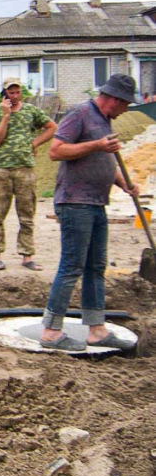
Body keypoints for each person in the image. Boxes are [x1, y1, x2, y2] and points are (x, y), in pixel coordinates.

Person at [39, 74, 140, 351]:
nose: (126, 110)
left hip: (96, 202)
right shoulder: (81, 112)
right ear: (114, 99)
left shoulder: (104, 120)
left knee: (96, 267)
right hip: (75, 202)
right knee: (71, 266)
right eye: (126, 104)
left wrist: (125, 184)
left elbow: (104, 159)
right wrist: (96, 144)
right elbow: (56, 151)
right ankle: (50, 332)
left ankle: (96, 329)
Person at [0, 77, 58, 271]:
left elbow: (52, 127)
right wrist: (6, 116)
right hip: (1, 169)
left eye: (18, 92)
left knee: (26, 213)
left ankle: (27, 256)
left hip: (25, 168)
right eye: (11, 93)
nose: (15, 96)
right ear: (4, 94)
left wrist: (35, 143)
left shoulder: (31, 111)